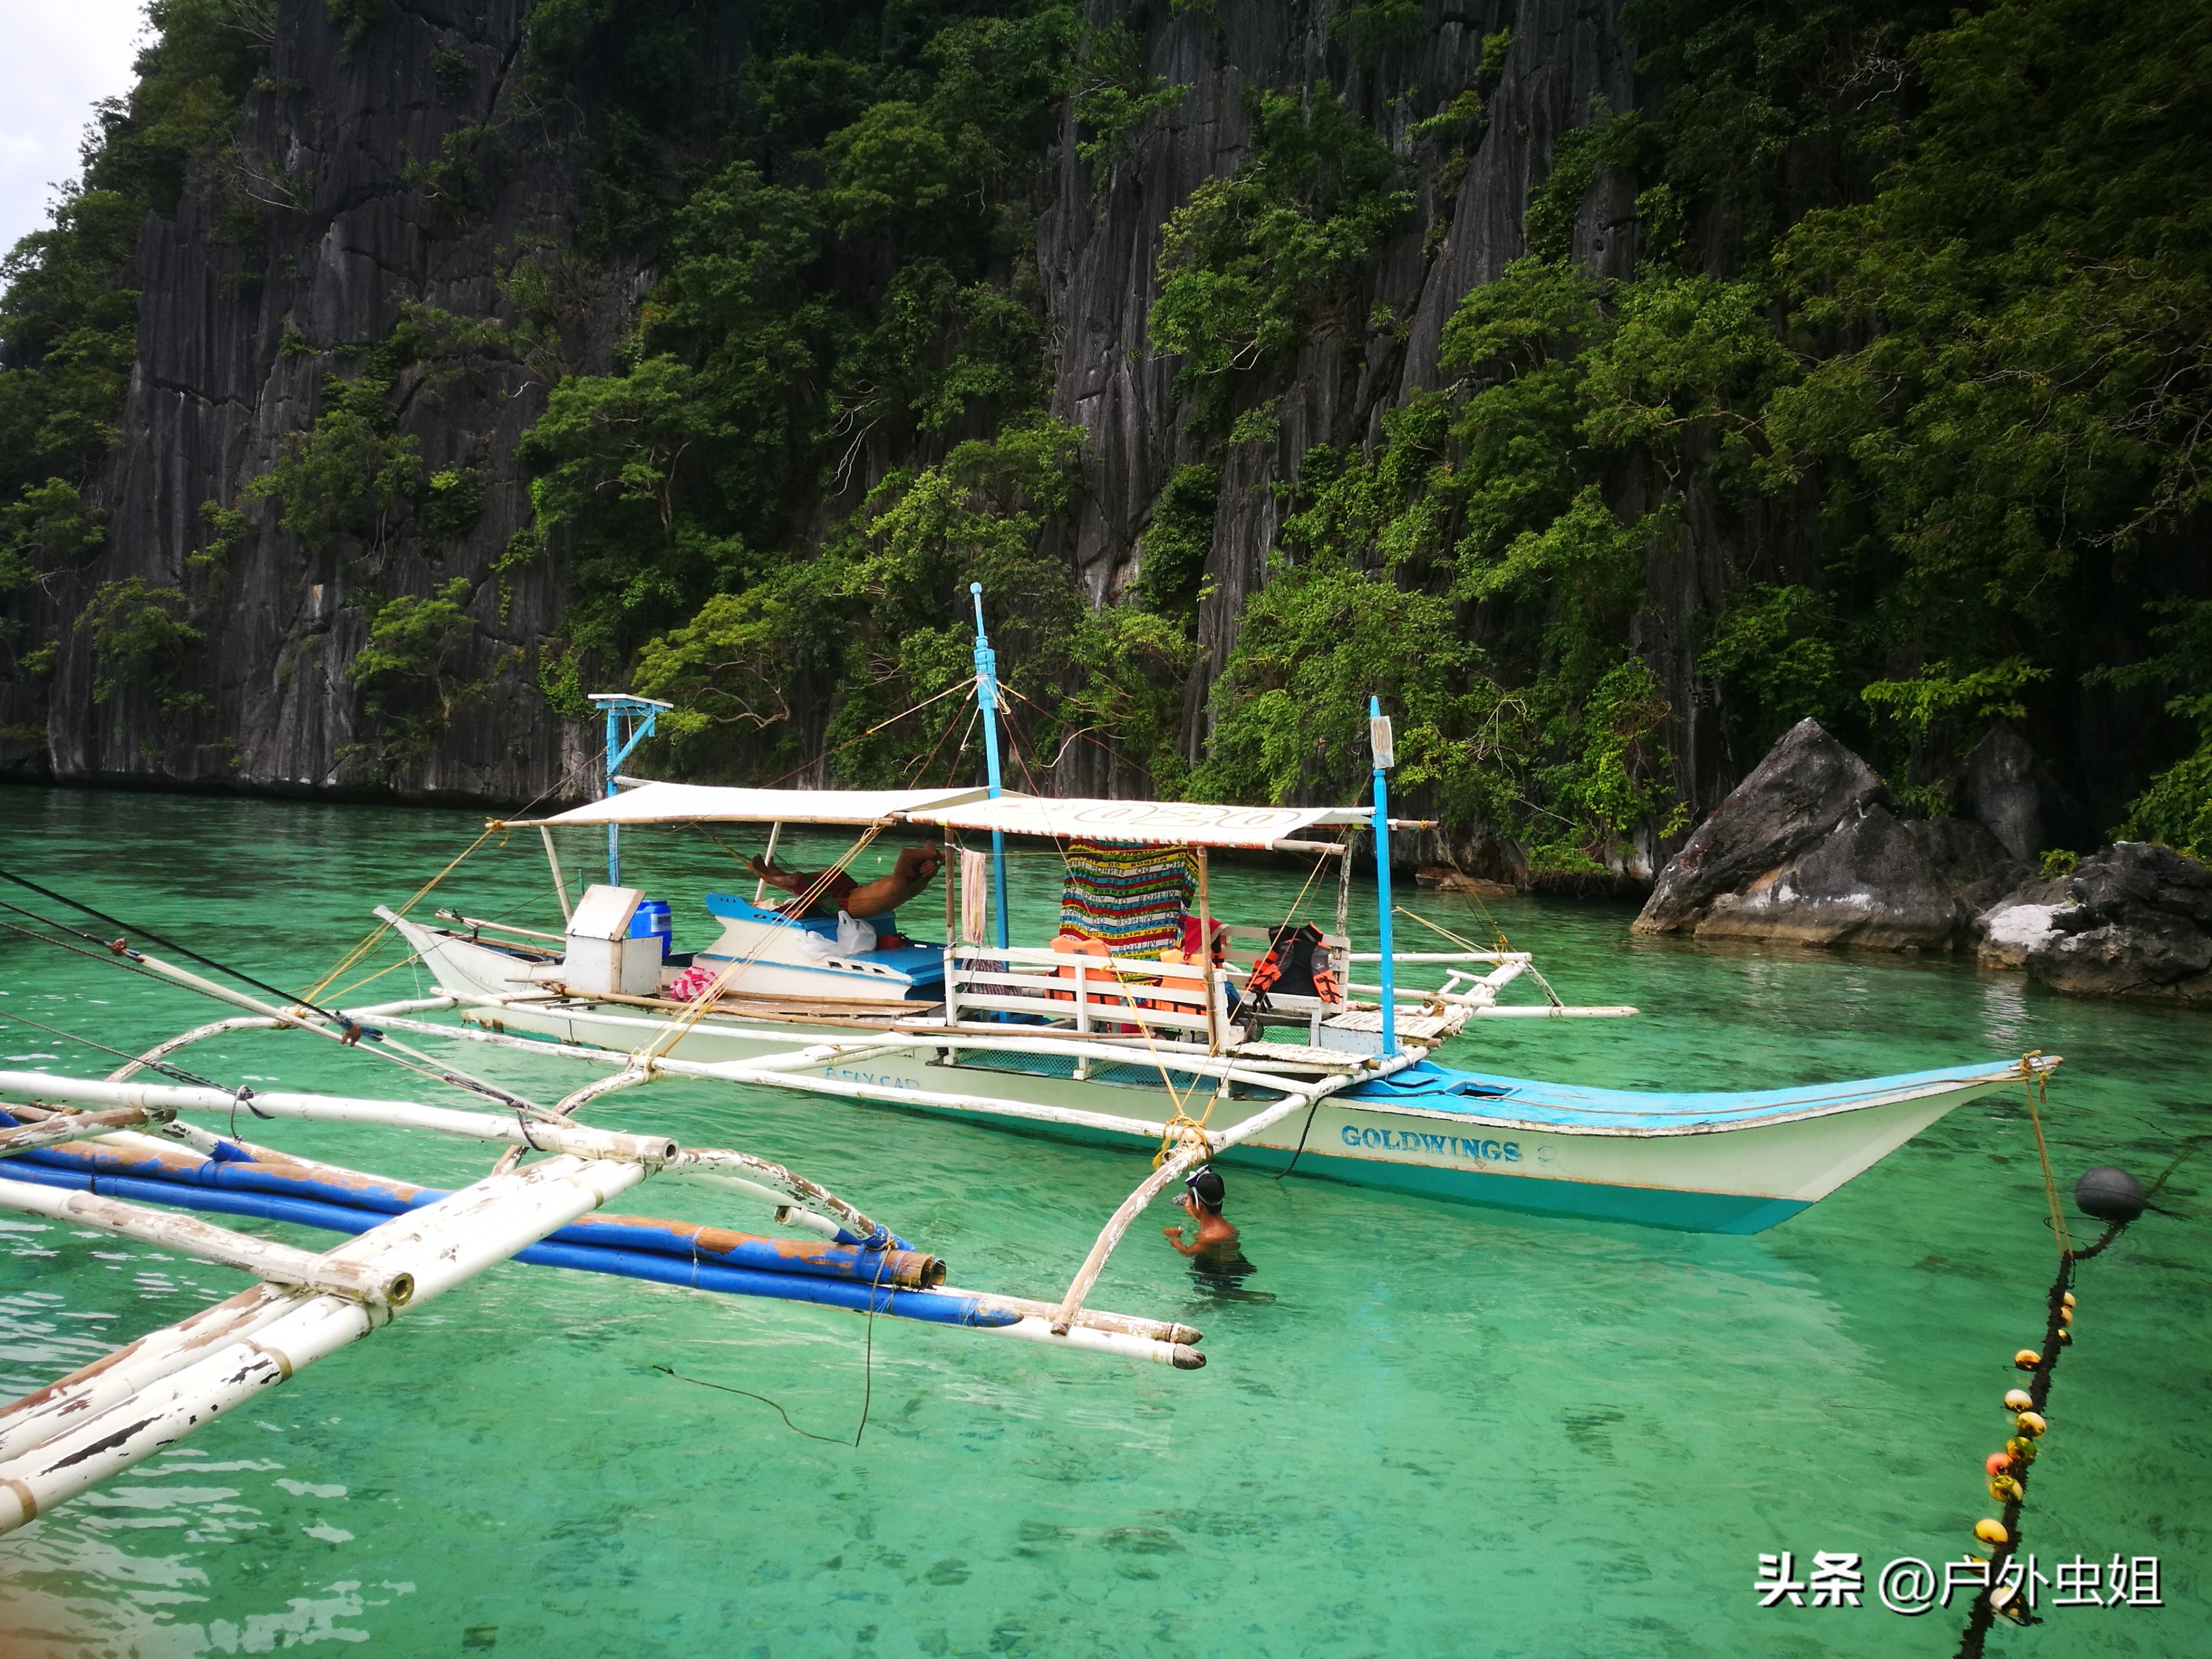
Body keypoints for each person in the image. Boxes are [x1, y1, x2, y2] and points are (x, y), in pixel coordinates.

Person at [745, 841, 945, 935]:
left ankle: (771, 878)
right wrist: (936, 859)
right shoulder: (923, 878)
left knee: (800, 880)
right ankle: (778, 873)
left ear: (912, 869)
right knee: (836, 872)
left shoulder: (901, 882)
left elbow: (906, 852)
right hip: (853, 893)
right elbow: (929, 845)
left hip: (846, 905)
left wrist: (933, 855)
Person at [1162, 1164, 1259, 1292]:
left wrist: (1174, 1238)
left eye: (1189, 1200)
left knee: (1218, 1295)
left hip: (1221, 1273)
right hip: (1228, 1261)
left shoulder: (1209, 1237)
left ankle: (1246, 1296)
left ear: (1199, 1206)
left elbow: (1187, 1252)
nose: (1187, 1201)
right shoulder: (1223, 1225)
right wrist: (1187, 1207)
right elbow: (1202, 1219)